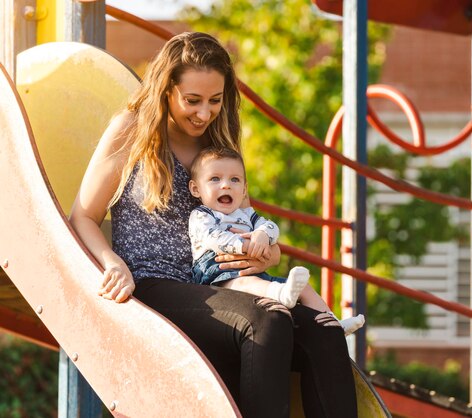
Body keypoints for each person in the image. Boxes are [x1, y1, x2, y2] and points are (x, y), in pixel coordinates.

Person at [69, 32, 359, 417]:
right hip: (153, 283)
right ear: (166, 89)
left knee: (324, 330)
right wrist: (112, 263)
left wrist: (266, 255)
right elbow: (83, 216)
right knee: (268, 319)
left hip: (216, 283)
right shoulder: (132, 129)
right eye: (192, 100)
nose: (204, 113)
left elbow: (247, 221)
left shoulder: (217, 142)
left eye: (214, 100)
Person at [188, 147, 365, 335]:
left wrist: (262, 236)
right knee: (244, 284)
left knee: (304, 287)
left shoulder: (247, 215)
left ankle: (333, 323)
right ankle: (282, 295)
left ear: (244, 189)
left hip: (255, 274)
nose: (226, 185)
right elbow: (213, 237)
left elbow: (271, 227)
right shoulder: (201, 215)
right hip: (217, 277)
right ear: (196, 189)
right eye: (215, 179)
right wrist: (245, 245)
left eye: (235, 179)